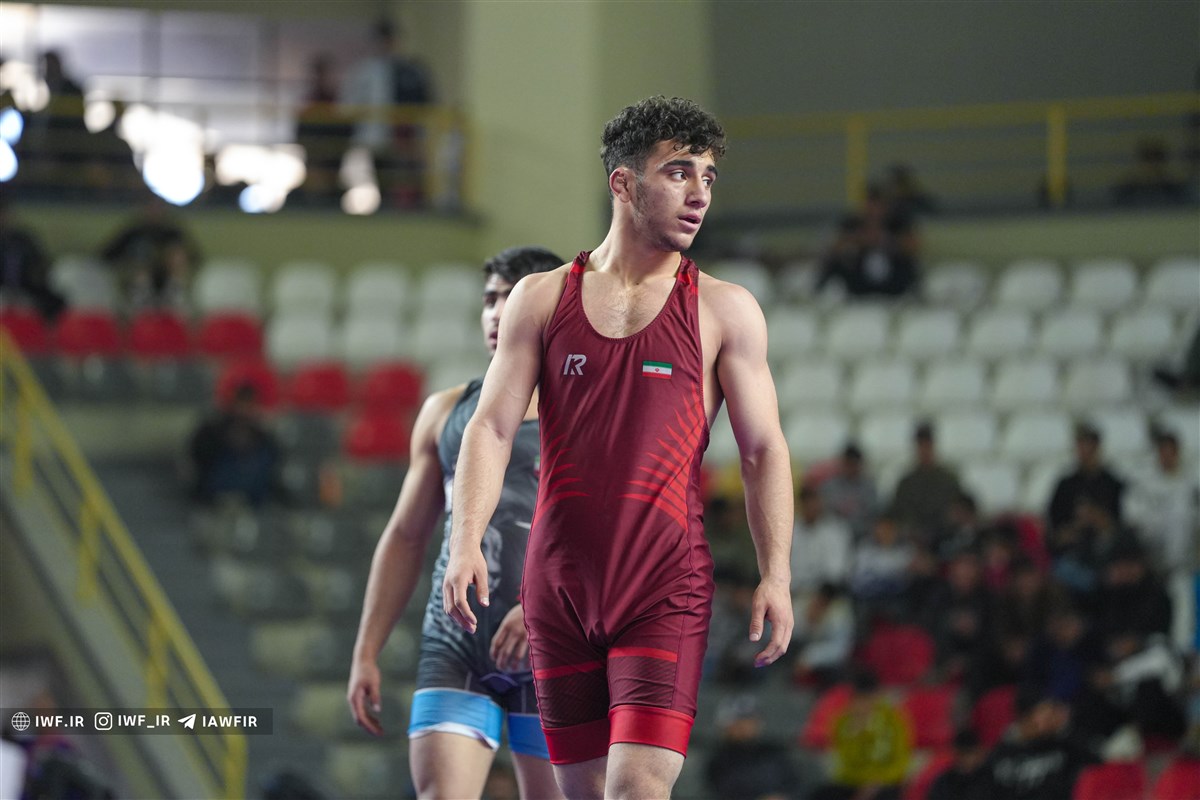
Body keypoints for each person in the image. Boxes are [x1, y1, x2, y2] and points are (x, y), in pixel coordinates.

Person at [442, 96, 794, 799]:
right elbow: (491, 427)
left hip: (663, 585)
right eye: (679, 172)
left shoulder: (723, 309)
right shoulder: (541, 298)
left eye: (708, 177)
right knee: (581, 793)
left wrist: (776, 574)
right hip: (558, 589)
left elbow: (763, 452)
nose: (700, 194)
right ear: (623, 183)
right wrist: (465, 541)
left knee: (636, 787)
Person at [347, 247, 565, 800]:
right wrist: (366, 650)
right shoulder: (445, 412)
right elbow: (405, 536)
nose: (497, 312)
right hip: (457, 642)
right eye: (490, 299)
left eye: (512, 297)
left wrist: (543, 605)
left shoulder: (589, 413)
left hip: (558, 644)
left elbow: (610, 539)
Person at [339, 18, 433, 208]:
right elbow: (348, 105)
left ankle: (410, 208)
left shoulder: (411, 71)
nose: (386, 44)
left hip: (406, 139)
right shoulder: (363, 72)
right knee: (383, 179)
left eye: (390, 40)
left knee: (408, 178)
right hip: (376, 138)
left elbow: (426, 103)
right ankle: (386, 206)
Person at [976, 685, 1098, 800]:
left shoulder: (1065, 746)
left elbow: (1097, 766)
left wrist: (1066, 732)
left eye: (1053, 711)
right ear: (1026, 716)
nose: (1052, 717)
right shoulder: (1000, 755)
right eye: (1045, 712)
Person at [810, 667, 912, 800]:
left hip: (886, 782)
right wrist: (855, 734)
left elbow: (900, 762)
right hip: (854, 781)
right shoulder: (843, 722)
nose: (865, 705)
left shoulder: (894, 720)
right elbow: (845, 764)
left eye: (868, 699)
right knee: (822, 794)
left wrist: (877, 781)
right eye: (860, 699)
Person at [187, 382, 284, 508]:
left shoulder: (262, 436)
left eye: (249, 404)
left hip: (254, 496)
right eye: (241, 403)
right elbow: (199, 457)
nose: (244, 409)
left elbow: (273, 462)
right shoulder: (211, 429)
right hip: (214, 491)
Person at [889, 421, 962, 546]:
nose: (924, 450)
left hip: (943, 538)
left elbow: (957, 511)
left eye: (927, 445)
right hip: (912, 541)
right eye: (921, 446)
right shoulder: (906, 483)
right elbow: (898, 514)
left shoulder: (948, 480)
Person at [1046, 422, 1125, 536]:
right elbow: (1055, 525)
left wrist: (1098, 518)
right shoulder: (1066, 485)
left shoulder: (1111, 484)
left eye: (1089, 445)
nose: (1084, 451)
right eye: (1081, 445)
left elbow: (1118, 523)